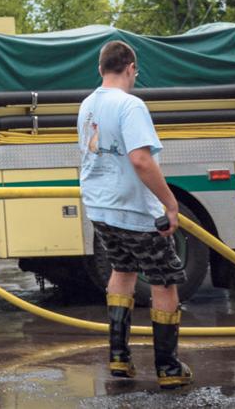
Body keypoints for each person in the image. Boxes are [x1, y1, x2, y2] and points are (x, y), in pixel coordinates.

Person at [77, 40, 192, 389]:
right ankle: (169, 368)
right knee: (164, 280)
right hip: (134, 210)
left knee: (122, 269)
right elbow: (141, 160)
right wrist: (170, 204)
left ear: (101, 69)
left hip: (100, 208)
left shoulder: (87, 105)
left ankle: (119, 358)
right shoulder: (131, 105)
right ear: (130, 68)